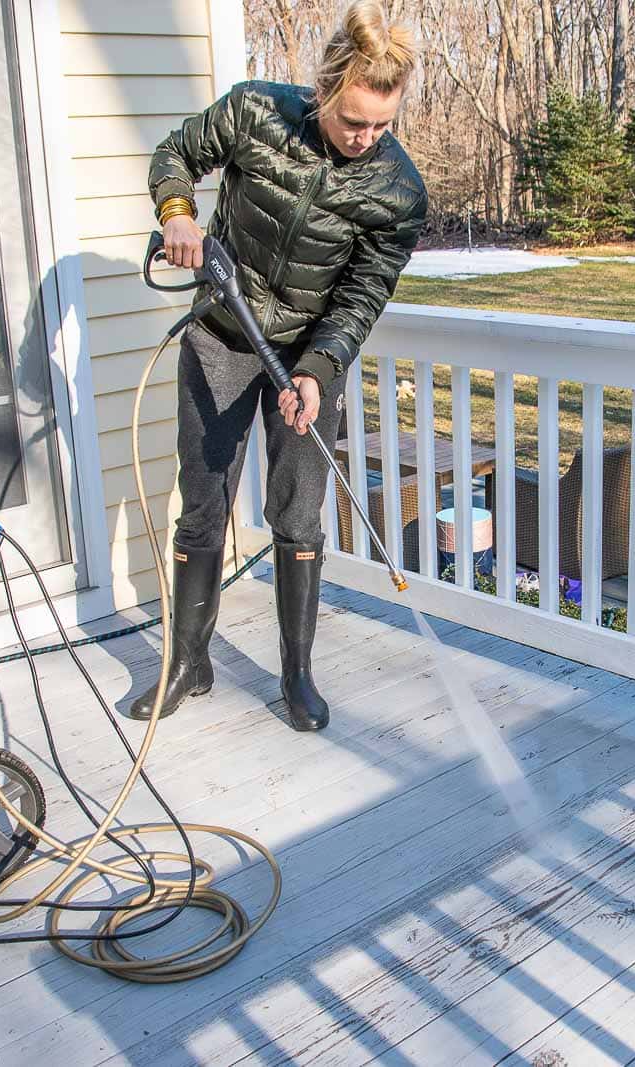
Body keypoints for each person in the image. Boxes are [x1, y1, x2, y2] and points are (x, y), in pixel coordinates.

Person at [129, 1, 427, 732]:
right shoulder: (256, 112)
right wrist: (177, 213)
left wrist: (319, 371)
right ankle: (189, 661)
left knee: (297, 511)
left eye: (382, 126)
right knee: (202, 503)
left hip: (304, 356)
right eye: (353, 120)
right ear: (324, 90)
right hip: (222, 335)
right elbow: (175, 154)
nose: (366, 139)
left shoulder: (398, 192)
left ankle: (295, 673)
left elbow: (360, 296)